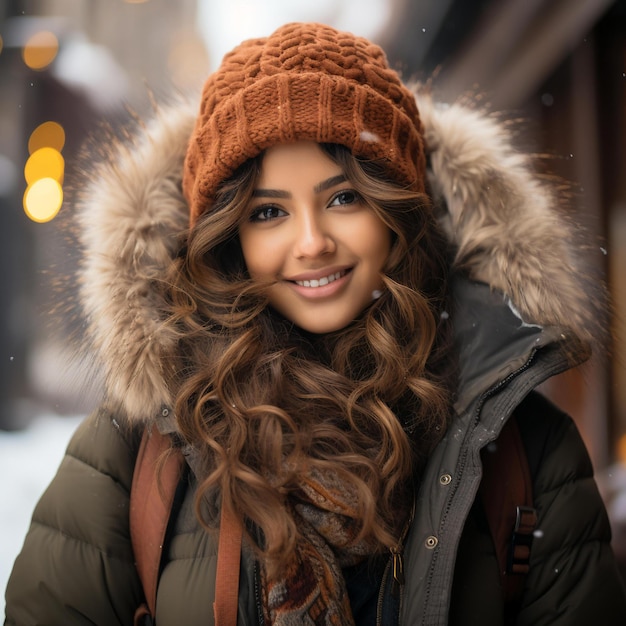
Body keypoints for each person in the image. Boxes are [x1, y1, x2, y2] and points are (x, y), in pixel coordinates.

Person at [4, 21, 626, 626]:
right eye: (269, 211)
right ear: (230, 238)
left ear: (396, 209)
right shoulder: (139, 446)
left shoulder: (521, 444)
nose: (310, 243)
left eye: (343, 198)